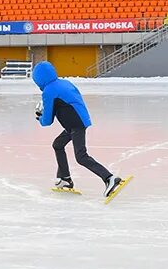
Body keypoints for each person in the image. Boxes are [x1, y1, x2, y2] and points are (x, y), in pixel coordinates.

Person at [31, 61, 122, 197]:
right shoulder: (64, 83)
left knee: (81, 156)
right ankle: (65, 179)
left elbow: (47, 121)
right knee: (58, 144)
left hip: (75, 124)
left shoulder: (49, 91)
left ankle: (109, 178)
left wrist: (40, 117)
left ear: (38, 80)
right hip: (77, 121)